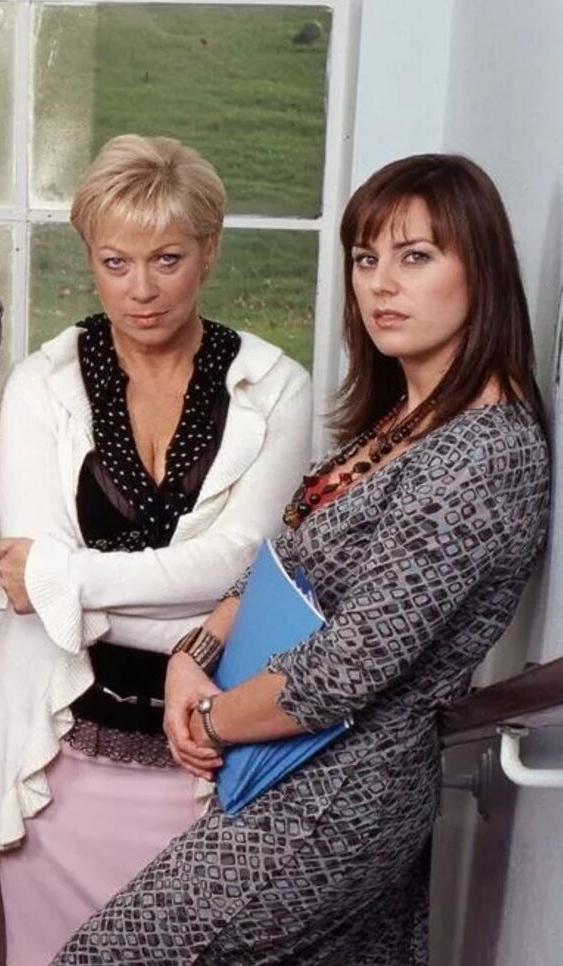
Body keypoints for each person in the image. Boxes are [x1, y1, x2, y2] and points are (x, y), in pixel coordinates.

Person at [58, 154, 551, 963]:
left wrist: (211, 717)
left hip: (338, 792)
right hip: (297, 770)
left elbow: (349, 665)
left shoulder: (482, 454)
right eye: (367, 258)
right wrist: (196, 654)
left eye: (416, 256)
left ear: (483, 271)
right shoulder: (402, 423)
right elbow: (284, 563)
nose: (382, 284)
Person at [0, 135, 312, 964]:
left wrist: (62, 580)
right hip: (59, 749)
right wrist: (199, 614)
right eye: (115, 262)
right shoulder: (43, 383)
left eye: (167, 259)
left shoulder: (276, 387)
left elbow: (238, 564)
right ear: (90, 258)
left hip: (206, 754)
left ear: (209, 252)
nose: (140, 289)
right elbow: (210, 584)